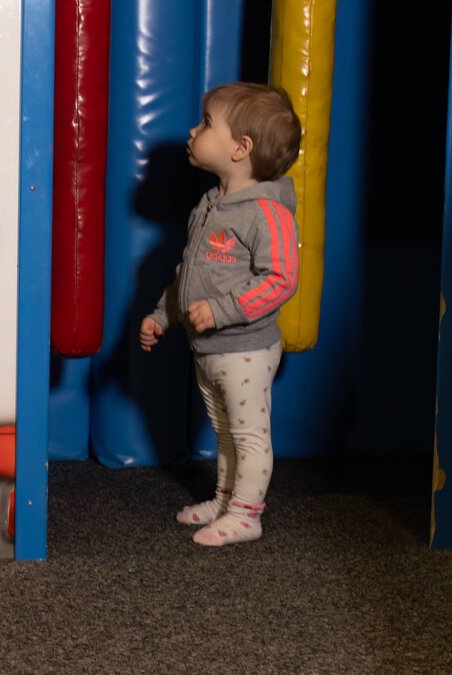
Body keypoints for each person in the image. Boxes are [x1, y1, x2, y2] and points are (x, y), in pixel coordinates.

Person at [139, 82, 302, 547]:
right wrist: (163, 315)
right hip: (207, 349)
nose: (193, 130)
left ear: (240, 148)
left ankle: (247, 515)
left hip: (246, 351)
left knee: (248, 436)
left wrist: (223, 310)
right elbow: (189, 272)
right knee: (225, 432)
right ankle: (228, 498)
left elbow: (282, 280)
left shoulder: (267, 212)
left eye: (207, 123)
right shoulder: (210, 204)